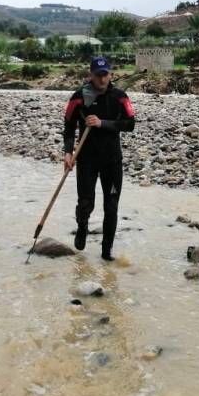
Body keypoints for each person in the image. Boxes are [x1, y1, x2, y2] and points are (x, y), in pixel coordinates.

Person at [63, 57, 136, 261]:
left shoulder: (120, 97)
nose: (102, 79)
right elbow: (68, 126)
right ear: (91, 76)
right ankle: (82, 226)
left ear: (111, 75)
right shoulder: (78, 98)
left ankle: (107, 251)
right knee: (85, 202)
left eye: (106, 75)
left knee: (111, 205)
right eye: (98, 75)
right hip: (86, 160)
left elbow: (130, 124)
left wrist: (102, 123)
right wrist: (68, 152)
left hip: (112, 161)